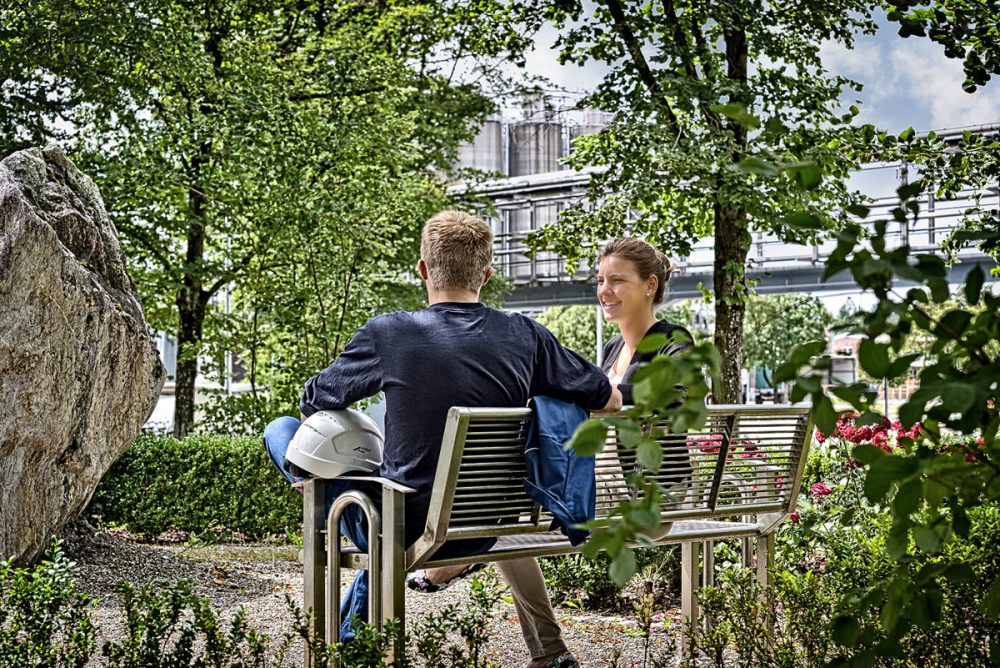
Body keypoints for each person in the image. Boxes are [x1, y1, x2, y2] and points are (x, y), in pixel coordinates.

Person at [263, 210, 621, 668]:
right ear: (487, 275)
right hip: (484, 526)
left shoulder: (390, 333)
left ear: (423, 270)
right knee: (391, 503)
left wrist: (312, 464)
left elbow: (315, 399)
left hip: (403, 524)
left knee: (282, 431)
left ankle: (312, 492)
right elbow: (608, 398)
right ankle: (353, 644)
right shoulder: (527, 335)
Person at [594, 237, 694, 515]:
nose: (604, 290)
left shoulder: (672, 340)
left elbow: (677, 396)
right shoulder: (612, 347)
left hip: (649, 489)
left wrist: (610, 395)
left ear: (650, 285)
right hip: (609, 481)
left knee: (506, 515)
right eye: (600, 280)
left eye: (616, 281)